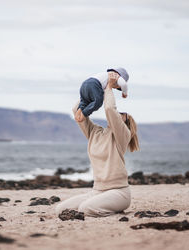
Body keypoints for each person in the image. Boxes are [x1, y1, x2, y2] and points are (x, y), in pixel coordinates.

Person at [55, 75, 140, 217]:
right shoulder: (95, 133)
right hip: (97, 191)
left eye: (122, 115)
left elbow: (110, 109)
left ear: (125, 124)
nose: (118, 114)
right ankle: (107, 207)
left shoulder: (122, 136)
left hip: (119, 192)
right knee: (61, 210)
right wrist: (96, 87)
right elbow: (76, 109)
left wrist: (109, 87)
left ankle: (114, 209)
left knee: (85, 209)